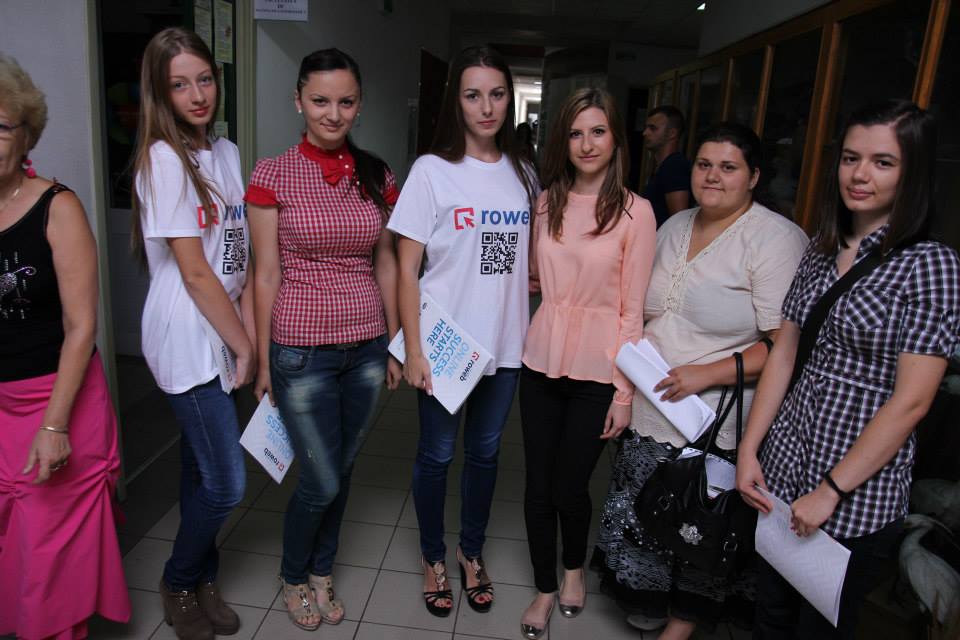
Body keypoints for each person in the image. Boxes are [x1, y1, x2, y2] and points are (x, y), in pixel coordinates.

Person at [736, 100, 960, 639]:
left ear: (912, 172)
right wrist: (749, 449)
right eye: (851, 158)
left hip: (856, 495)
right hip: (783, 469)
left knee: (819, 630)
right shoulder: (820, 250)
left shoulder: (929, 264)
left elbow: (912, 401)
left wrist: (832, 490)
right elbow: (785, 354)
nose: (860, 175)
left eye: (883, 162)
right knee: (768, 618)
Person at [593, 122, 809, 639]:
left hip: (716, 418)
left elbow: (784, 346)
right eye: (704, 165)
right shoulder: (674, 224)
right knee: (648, 515)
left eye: (728, 167)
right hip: (651, 409)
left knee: (699, 524)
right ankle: (647, 601)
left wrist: (705, 374)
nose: (712, 176)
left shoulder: (774, 239)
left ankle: (683, 624)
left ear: (753, 177)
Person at [245, 48, 401, 631]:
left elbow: (386, 263)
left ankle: (321, 571)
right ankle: (293, 575)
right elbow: (265, 274)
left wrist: (394, 341)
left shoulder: (377, 173)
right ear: (298, 101)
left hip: (366, 347)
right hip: (300, 350)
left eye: (346, 101)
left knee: (345, 468)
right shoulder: (272, 174)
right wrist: (264, 361)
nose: (333, 114)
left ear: (359, 105)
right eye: (320, 101)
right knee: (322, 478)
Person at [389, 45, 539, 617]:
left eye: (497, 94)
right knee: (437, 454)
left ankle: (469, 552)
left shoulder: (523, 174)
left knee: (485, 454)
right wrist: (413, 349)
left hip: (503, 346)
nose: (487, 107)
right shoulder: (431, 171)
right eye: (473, 95)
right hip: (445, 346)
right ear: (457, 101)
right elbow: (406, 268)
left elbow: (511, 262)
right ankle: (432, 556)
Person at [0, 53, 131, 640]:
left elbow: (82, 326)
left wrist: (54, 425)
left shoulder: (58, 207)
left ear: (26, 134)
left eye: (1, 126)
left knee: (48, 550)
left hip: (57, 400)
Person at [517, 88, 656, 639]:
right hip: (540, 361)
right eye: (575, 133)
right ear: (563, 142)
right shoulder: (545, 203)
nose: (587, 144)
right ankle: (544, 587)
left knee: (570, 486)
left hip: (599, 371)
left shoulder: (636, 212)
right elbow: (527, 278)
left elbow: (632, 310)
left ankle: (573, 569)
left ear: (616, 138)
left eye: (598, 131)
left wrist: (624, 392)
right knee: (537, 486)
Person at [133, 27, 253, 640]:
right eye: (180, 85)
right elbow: (197, 272)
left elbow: (236, 255)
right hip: (187, 333)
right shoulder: (163, 159)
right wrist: (245, 345)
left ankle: (205, 576)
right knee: (227, 483)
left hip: (223, 324)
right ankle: (179, 579)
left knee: (198, 469)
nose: (197, 95)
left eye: (204, 79)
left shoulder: (226, 153)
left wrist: (247, 329)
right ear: (161, 93)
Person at [642, 105, 692, 228]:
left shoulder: (674, 166)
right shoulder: (663, 166)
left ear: (672, 133)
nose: (645, 133)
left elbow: (679, 222)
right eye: (646, 128)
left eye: (653, 128)